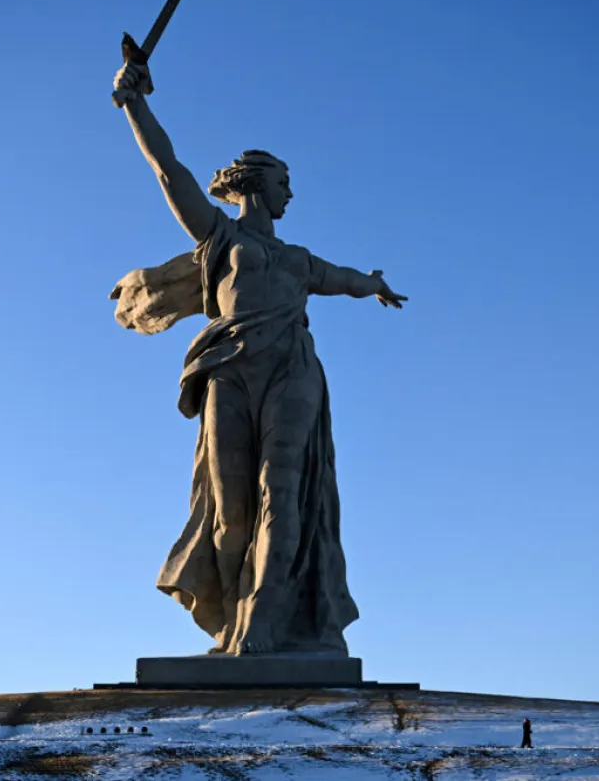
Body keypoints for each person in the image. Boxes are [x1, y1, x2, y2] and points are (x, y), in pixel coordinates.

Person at [110, 58, 406, 656]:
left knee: (284, 490)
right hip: (230, 371)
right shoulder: (220, 237)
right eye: (284, 181)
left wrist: (373, 283)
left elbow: (343, 278)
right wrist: (136, 105)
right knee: (231, 511)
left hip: (292, 369)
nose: (291, 192)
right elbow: (171, 172)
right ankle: (231, 624)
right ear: (256, 183)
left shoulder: (298, 260)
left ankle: (264, 627)